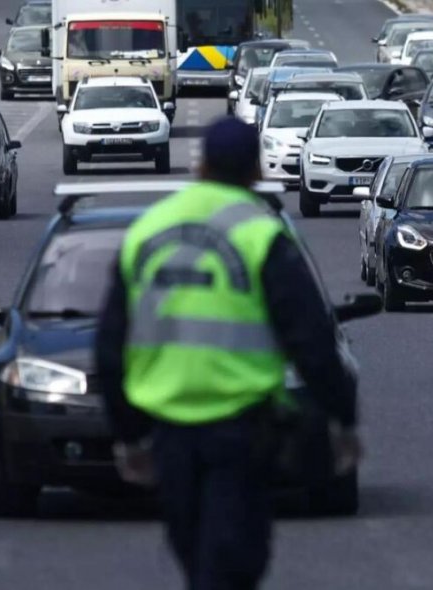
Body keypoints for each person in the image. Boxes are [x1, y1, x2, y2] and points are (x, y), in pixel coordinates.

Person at [95, 117, 360, 590]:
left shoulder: (147, 230)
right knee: (233, 559)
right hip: (242, 429)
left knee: (196, 554)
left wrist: (126, 434)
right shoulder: (261, 233)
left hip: (169, 429)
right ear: (255, 169)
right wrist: (342, 419)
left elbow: (111, 344)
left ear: (201, 166)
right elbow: (312, 339)